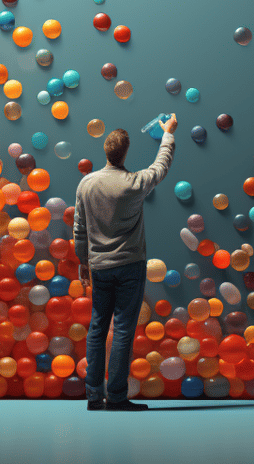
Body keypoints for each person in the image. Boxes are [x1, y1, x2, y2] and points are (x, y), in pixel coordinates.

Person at [74, 113, 177, 411]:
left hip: (99, 266)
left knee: (97, 327)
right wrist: (168, 133)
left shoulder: (86, 184)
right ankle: (117, 396)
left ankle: (94, 396)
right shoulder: (134, 183)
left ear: (105, 152)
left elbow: (79, 228)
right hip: (130, 266)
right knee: (122, 331)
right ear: (125, 152)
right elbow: (161, 166)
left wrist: (83, 262)